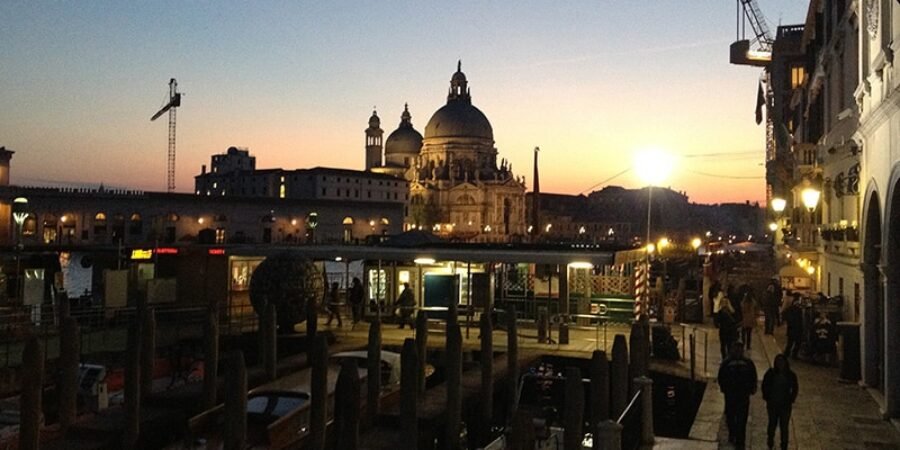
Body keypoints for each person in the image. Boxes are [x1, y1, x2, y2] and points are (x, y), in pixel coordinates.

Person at [718, 341, 758, 449]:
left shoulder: (748, 363)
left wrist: (752, 388)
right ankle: (733, 432)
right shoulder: (727, 363)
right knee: (730, 416)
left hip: (743, 395)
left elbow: (753, 376)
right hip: (731, 394)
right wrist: (724, 388)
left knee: (742, 418)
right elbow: (721, 376)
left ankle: (741, 440)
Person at [762, 354, 798, 450]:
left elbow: (795, 388)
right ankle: (770, 439)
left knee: (784, 426)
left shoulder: (790, 375)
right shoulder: (771, 373)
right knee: (772, 423)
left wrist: (791, 399)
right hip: (773, 403)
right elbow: (765, 385)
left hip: (785, 405)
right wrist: (767, 397)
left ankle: (784, 444)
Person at [714, 286, 738, 360]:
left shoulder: (720, 312)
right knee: (729, 345)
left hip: (723, 331)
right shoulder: (731, 313)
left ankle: (724, 358)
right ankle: (729, 357)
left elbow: (716, 323)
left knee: (723, 345)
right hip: (730, 331)